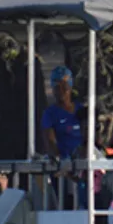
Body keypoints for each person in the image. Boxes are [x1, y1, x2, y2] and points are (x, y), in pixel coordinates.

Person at [38, 68, 88, 208]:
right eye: (56, 86)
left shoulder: (81, 110)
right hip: (64, 169)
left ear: (70, 87)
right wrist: (62, 162)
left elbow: (89, 138)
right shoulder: (50, 114)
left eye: (64, 86)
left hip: (83, 166)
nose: (61, 91)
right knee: (68, 203)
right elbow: (50, 142)